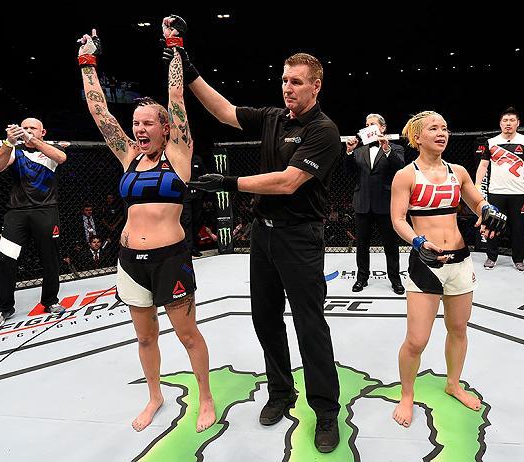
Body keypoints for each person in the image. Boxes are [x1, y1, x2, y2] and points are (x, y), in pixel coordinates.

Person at [183, 30, 341, 451]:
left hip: (301, 238)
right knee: (265, 319)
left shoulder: (324, 131)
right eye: (285, 80)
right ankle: (281, 391)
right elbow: (222, 110)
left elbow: (290, 182)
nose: (287, 87)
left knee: (310, 326)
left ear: (316, 85)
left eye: (296, 81)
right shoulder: (273, 116)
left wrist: (231, 182)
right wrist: (187, 67)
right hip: (264, 239)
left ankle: (326, 411)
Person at [77, 22, 215, 433]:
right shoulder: (128, 157)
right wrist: (88, 60)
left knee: (188, 336)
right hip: (129, 261)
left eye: (147, 123)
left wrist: (176, 47)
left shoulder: (179, 152)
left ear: (165, 128)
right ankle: (155, 395)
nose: (139, 129)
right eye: (135, 123)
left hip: (170, 259)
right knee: (145, 338)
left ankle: (205, 397)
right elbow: (99, 111)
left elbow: (177, 98)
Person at [390, 111, 506, 428]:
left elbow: (478, 203)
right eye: (433, 128)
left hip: (459, 261)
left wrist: (489, 211)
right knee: (416, 340)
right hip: (425, 264)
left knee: (458, 329)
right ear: (417, 137)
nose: (442, 133)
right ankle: (407, 394)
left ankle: (453, 384)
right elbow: (398, 219)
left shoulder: (458, 172)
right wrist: (417, 242)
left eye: (445, 128)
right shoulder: (406, 175)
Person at [0, 117, 67, 329]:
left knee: (50, 259)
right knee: (6, 259)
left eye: (33, 128)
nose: (28, 131)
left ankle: (50, 301)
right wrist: (8, 142)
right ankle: (3, 307)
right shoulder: (15, 150)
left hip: (46, 211)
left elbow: (61, 157)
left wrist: (33, 139)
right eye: (24, 128)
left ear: (43, 132)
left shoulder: (51, 148)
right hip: (17, 213)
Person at [344, 114, 405, 294]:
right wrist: (348, 152)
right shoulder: (359, 150)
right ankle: (361, 279)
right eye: (366, 124)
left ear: (382, 128)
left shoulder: (396, 149)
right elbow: (348, 172)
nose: (368, 126)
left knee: (391, 245)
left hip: (385, 204)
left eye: (372, 124)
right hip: (362, 203)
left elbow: (400, 168)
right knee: (362, 245)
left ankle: (395, 280)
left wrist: (386, 150)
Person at [474, 107, 524, 272]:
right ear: (500, 123)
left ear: (518, 123)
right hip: (495, 192)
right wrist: (477, 186)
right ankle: (491, 257)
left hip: (517, 193)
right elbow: (483, 165)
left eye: (512, 120)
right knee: (492, 226)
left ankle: (518, 260)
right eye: (505, 120)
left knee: (518, 228)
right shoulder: (492, 142)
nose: (508, 123)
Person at [182, 154, 207, 257]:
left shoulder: (197, 159)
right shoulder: (180, 159)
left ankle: (195, 246)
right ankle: (189, 248)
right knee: (187, 220)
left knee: (197, 220)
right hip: (185, 195)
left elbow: (205, 175)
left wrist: (203, 193)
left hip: (197, 194)